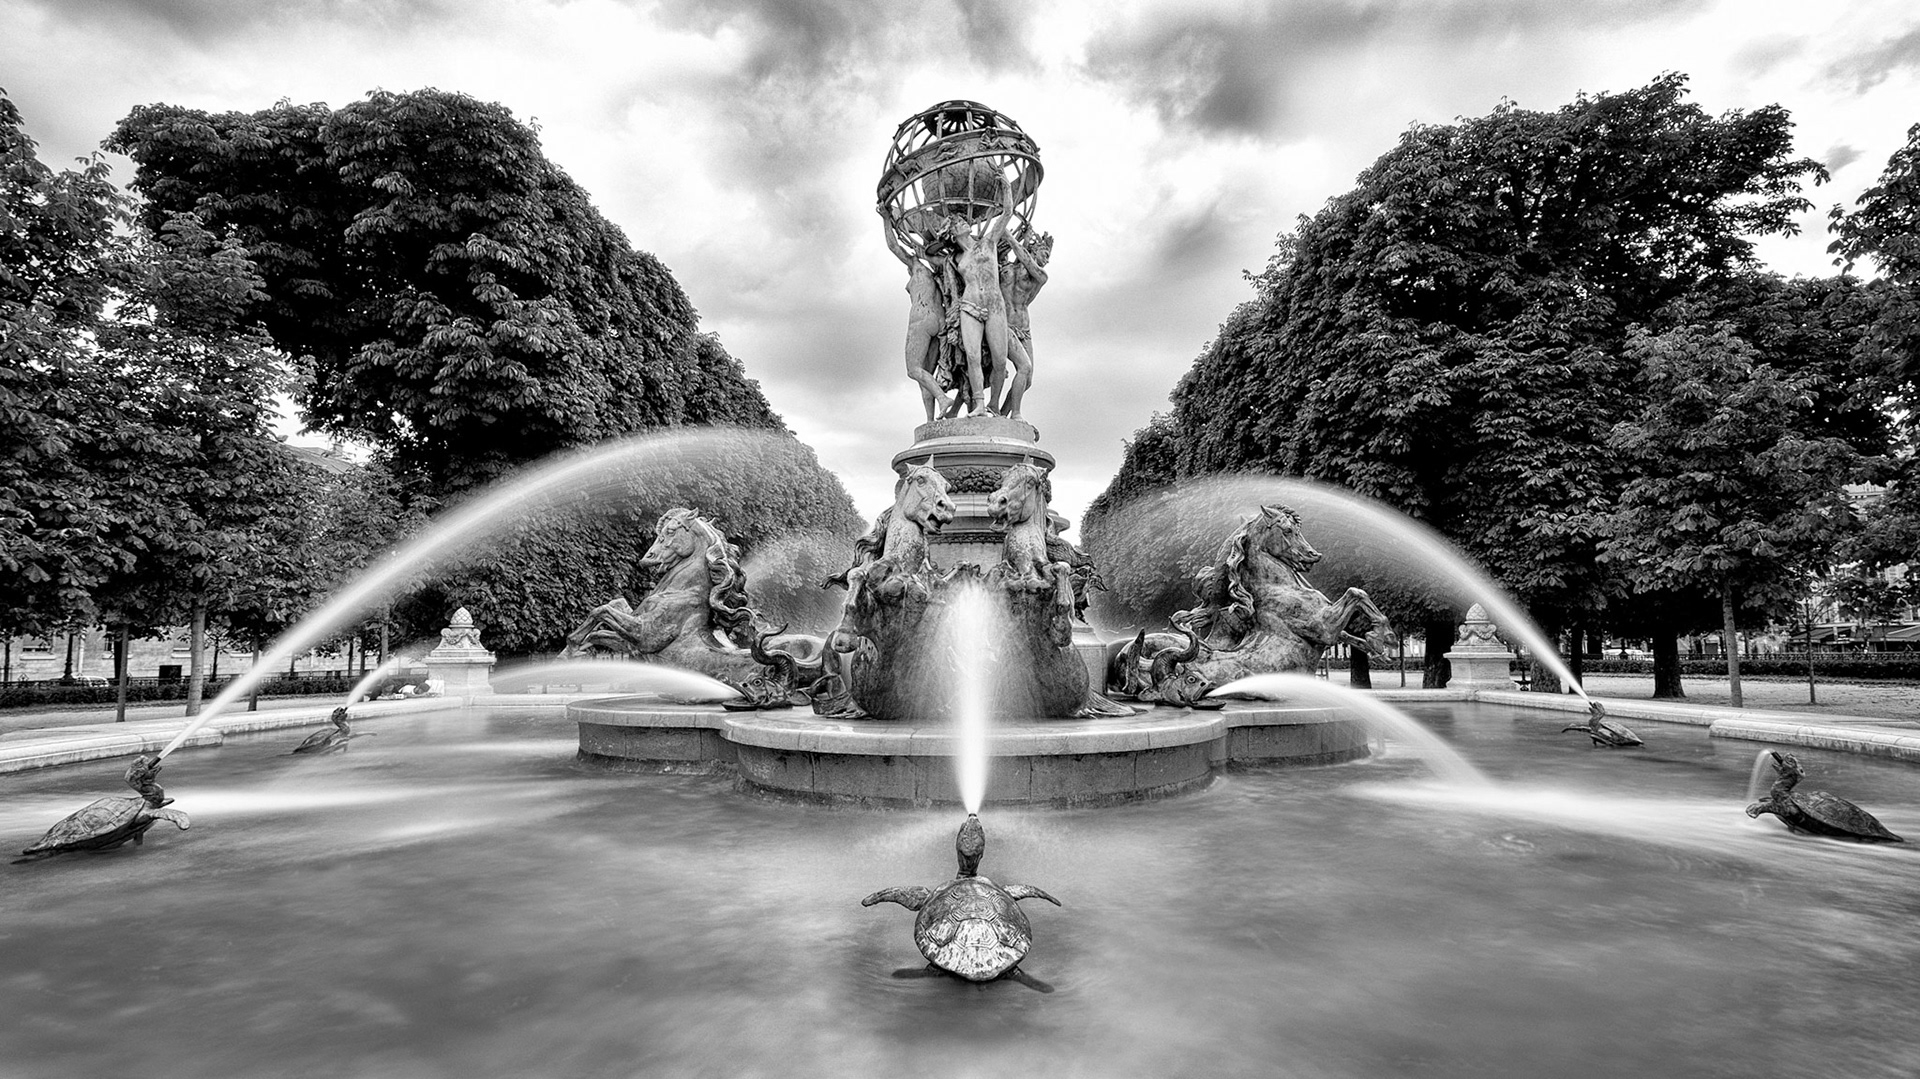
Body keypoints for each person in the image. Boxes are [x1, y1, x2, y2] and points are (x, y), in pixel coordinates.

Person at [943, 178, 1031, 417]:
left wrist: (1004, 186)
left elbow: (1007, 212)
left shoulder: (988, 242)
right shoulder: (957, 259)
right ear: (952, 233)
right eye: (959, 222)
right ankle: (979, 405)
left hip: (994, 306)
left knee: (1000, 361)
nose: (964, 222)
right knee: (972, 357)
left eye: (962, 220)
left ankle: (994, 405)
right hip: (969, 307)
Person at [880, 210, 952, 421]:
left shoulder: (917, 266)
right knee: (925, 376)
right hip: (940, 321)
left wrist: (886, 218)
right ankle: (930, 420)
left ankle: (942, 398)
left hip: (921, 318)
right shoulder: (937, 271)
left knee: (913, 370)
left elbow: (894, 247)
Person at [1001, 230, 1051, 373]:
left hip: (1024, 328)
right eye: (1045, 255)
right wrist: (1025, 240)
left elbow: (1024, 258)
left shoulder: (1041, 276)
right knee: (1022, 367)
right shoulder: (1008, 269)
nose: (1047, 261)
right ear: (1034, 250)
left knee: (1027, 379)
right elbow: (1021, 261)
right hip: (1004, 324)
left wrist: (1008, 235)